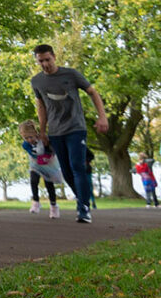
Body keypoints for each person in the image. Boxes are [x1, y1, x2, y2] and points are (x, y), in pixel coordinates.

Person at [30, 44, 109, 223]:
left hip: (76, 128)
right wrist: (42, 131)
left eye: (47, 59)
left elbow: (92, 92)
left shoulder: (71, 74)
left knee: (77, 166)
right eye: (40, 61)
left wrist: (102, 117)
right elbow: (41, 106)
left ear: (54, 57)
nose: (45, 64)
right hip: (55, 132)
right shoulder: (37, 81)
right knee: (66, 172)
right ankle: (83, 200)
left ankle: (83, 209)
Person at [17, 120, 62, 219]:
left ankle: (54, 206)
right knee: (33, 180)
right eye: (26, 138)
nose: (29, 140)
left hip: (48, 164)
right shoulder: (25, 145)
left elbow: (53, 149)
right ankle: (36, 201)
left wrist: (48, 148)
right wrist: (38, 150)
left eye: (30, 137)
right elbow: (35, 153)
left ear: (35, 132)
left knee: (49, 185)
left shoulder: (44, 139)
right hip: (36, 164)